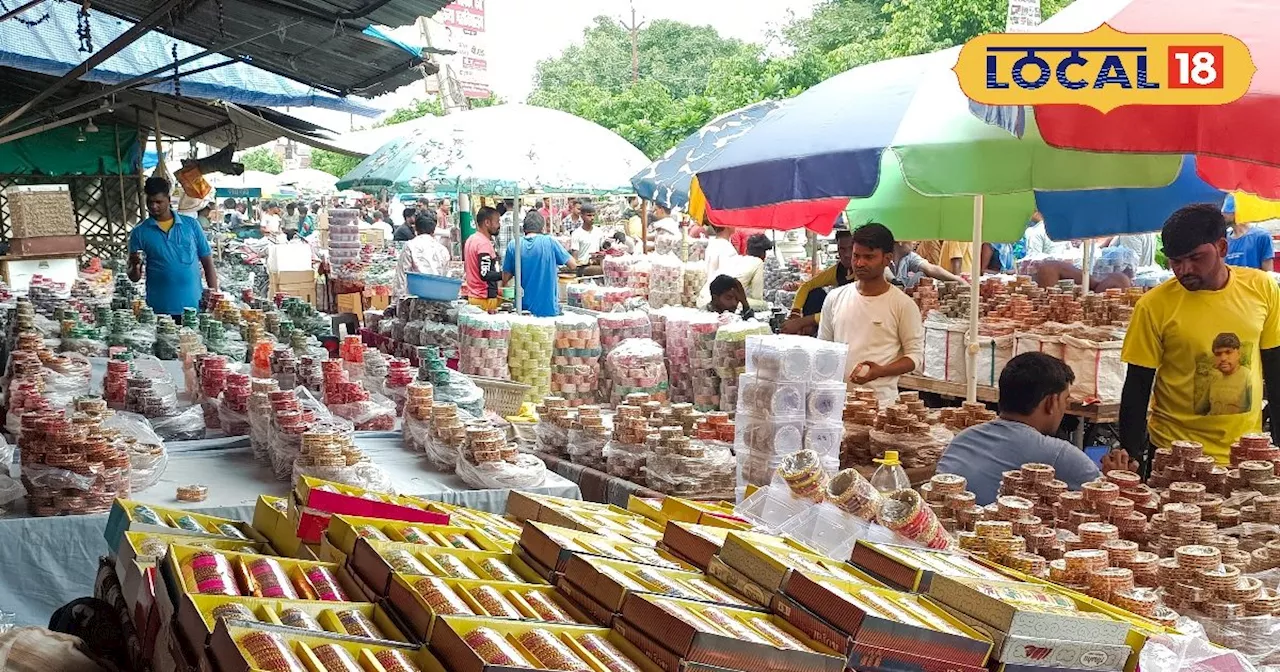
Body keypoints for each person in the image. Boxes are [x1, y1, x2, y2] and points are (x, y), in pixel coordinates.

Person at [1118, 203, 1280, 468]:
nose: (1184, 270)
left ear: (1222, 248)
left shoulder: (1262, 289)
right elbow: (1137, 385)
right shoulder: (1153, 306)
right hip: (1174, 456)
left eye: (1195, 258)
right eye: (1176, 261)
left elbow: (1275, 371)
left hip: (1245, 455)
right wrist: (1131, 455)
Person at [936, 353, 1119, 505]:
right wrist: (1117, 478)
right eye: (1065, 400)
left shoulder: (963, 438)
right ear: (1051, 402)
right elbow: (1108, 502)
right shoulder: (1058, 453)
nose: (1065, 408)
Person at [817, 223, 924, 405]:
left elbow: (915, 358)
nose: (860, 263)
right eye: (856, 256)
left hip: (881, 407)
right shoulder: (835, 298)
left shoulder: (902, 304)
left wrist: (880, 370)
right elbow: (823, 349)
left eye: (869, 257)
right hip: (837, 404)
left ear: (886, 259)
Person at [127, 177, 218, 319]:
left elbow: (207, 263)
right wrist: (134, 265)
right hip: (159, 310)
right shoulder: (139, 232)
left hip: (192, 307)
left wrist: (214, 296)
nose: (154, 206)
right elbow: (134, 278)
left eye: (158, 202)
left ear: (168, 200)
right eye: (150, 202)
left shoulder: (191, 225)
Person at [502, 210, 576, 317]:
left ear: (524, 229)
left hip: (523, 309)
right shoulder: (550, 241)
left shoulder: (514, 245)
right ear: (542, 228)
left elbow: (505, 278)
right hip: (548, 309)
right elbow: (572, 264)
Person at [782, 230, 855, 336]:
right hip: (837, 316)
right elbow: (807, 285)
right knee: (815, 294)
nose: (847, 255)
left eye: (851, 249)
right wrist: (795, 313)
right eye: (842, 249)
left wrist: (802, 322)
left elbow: (846, 311)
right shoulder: (839, 270)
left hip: (851, 321)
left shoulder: (866, 277)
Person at [700, 233, 770, 311]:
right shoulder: (758, 262)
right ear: (764, 255)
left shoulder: (736, 259)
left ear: (746, 250)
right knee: (763, 304)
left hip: (703, 297)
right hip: (716, 300)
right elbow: (757, 296)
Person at [393, 210, 451, 297]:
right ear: (434, 229)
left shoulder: (410, 246)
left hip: (414, 300)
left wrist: (396, 303)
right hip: (436, 298)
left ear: (415, 228)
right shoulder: (442, 250)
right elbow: (445, 277)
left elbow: (401, 278)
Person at [463, 206, 505, 311]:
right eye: (497, 222)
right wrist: (505, 275)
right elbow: (485, 273)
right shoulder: (483, 244)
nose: (499, 225)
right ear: (487, 223)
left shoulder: (471, 239)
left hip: (473, 296)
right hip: (484, 299)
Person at [1224, 194, 1275, 271]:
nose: (1222, 214)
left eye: (1226, 211)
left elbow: (1268, 274)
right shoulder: (1224, 240)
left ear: (1236, 212)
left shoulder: (1261, 236)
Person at [890, 241, 967, 288]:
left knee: (921, 274)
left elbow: (931, 269)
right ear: (900, 242)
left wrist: (959, 280)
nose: (914, 243)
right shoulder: (883, 258)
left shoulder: (909, 257)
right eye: (911, 240)